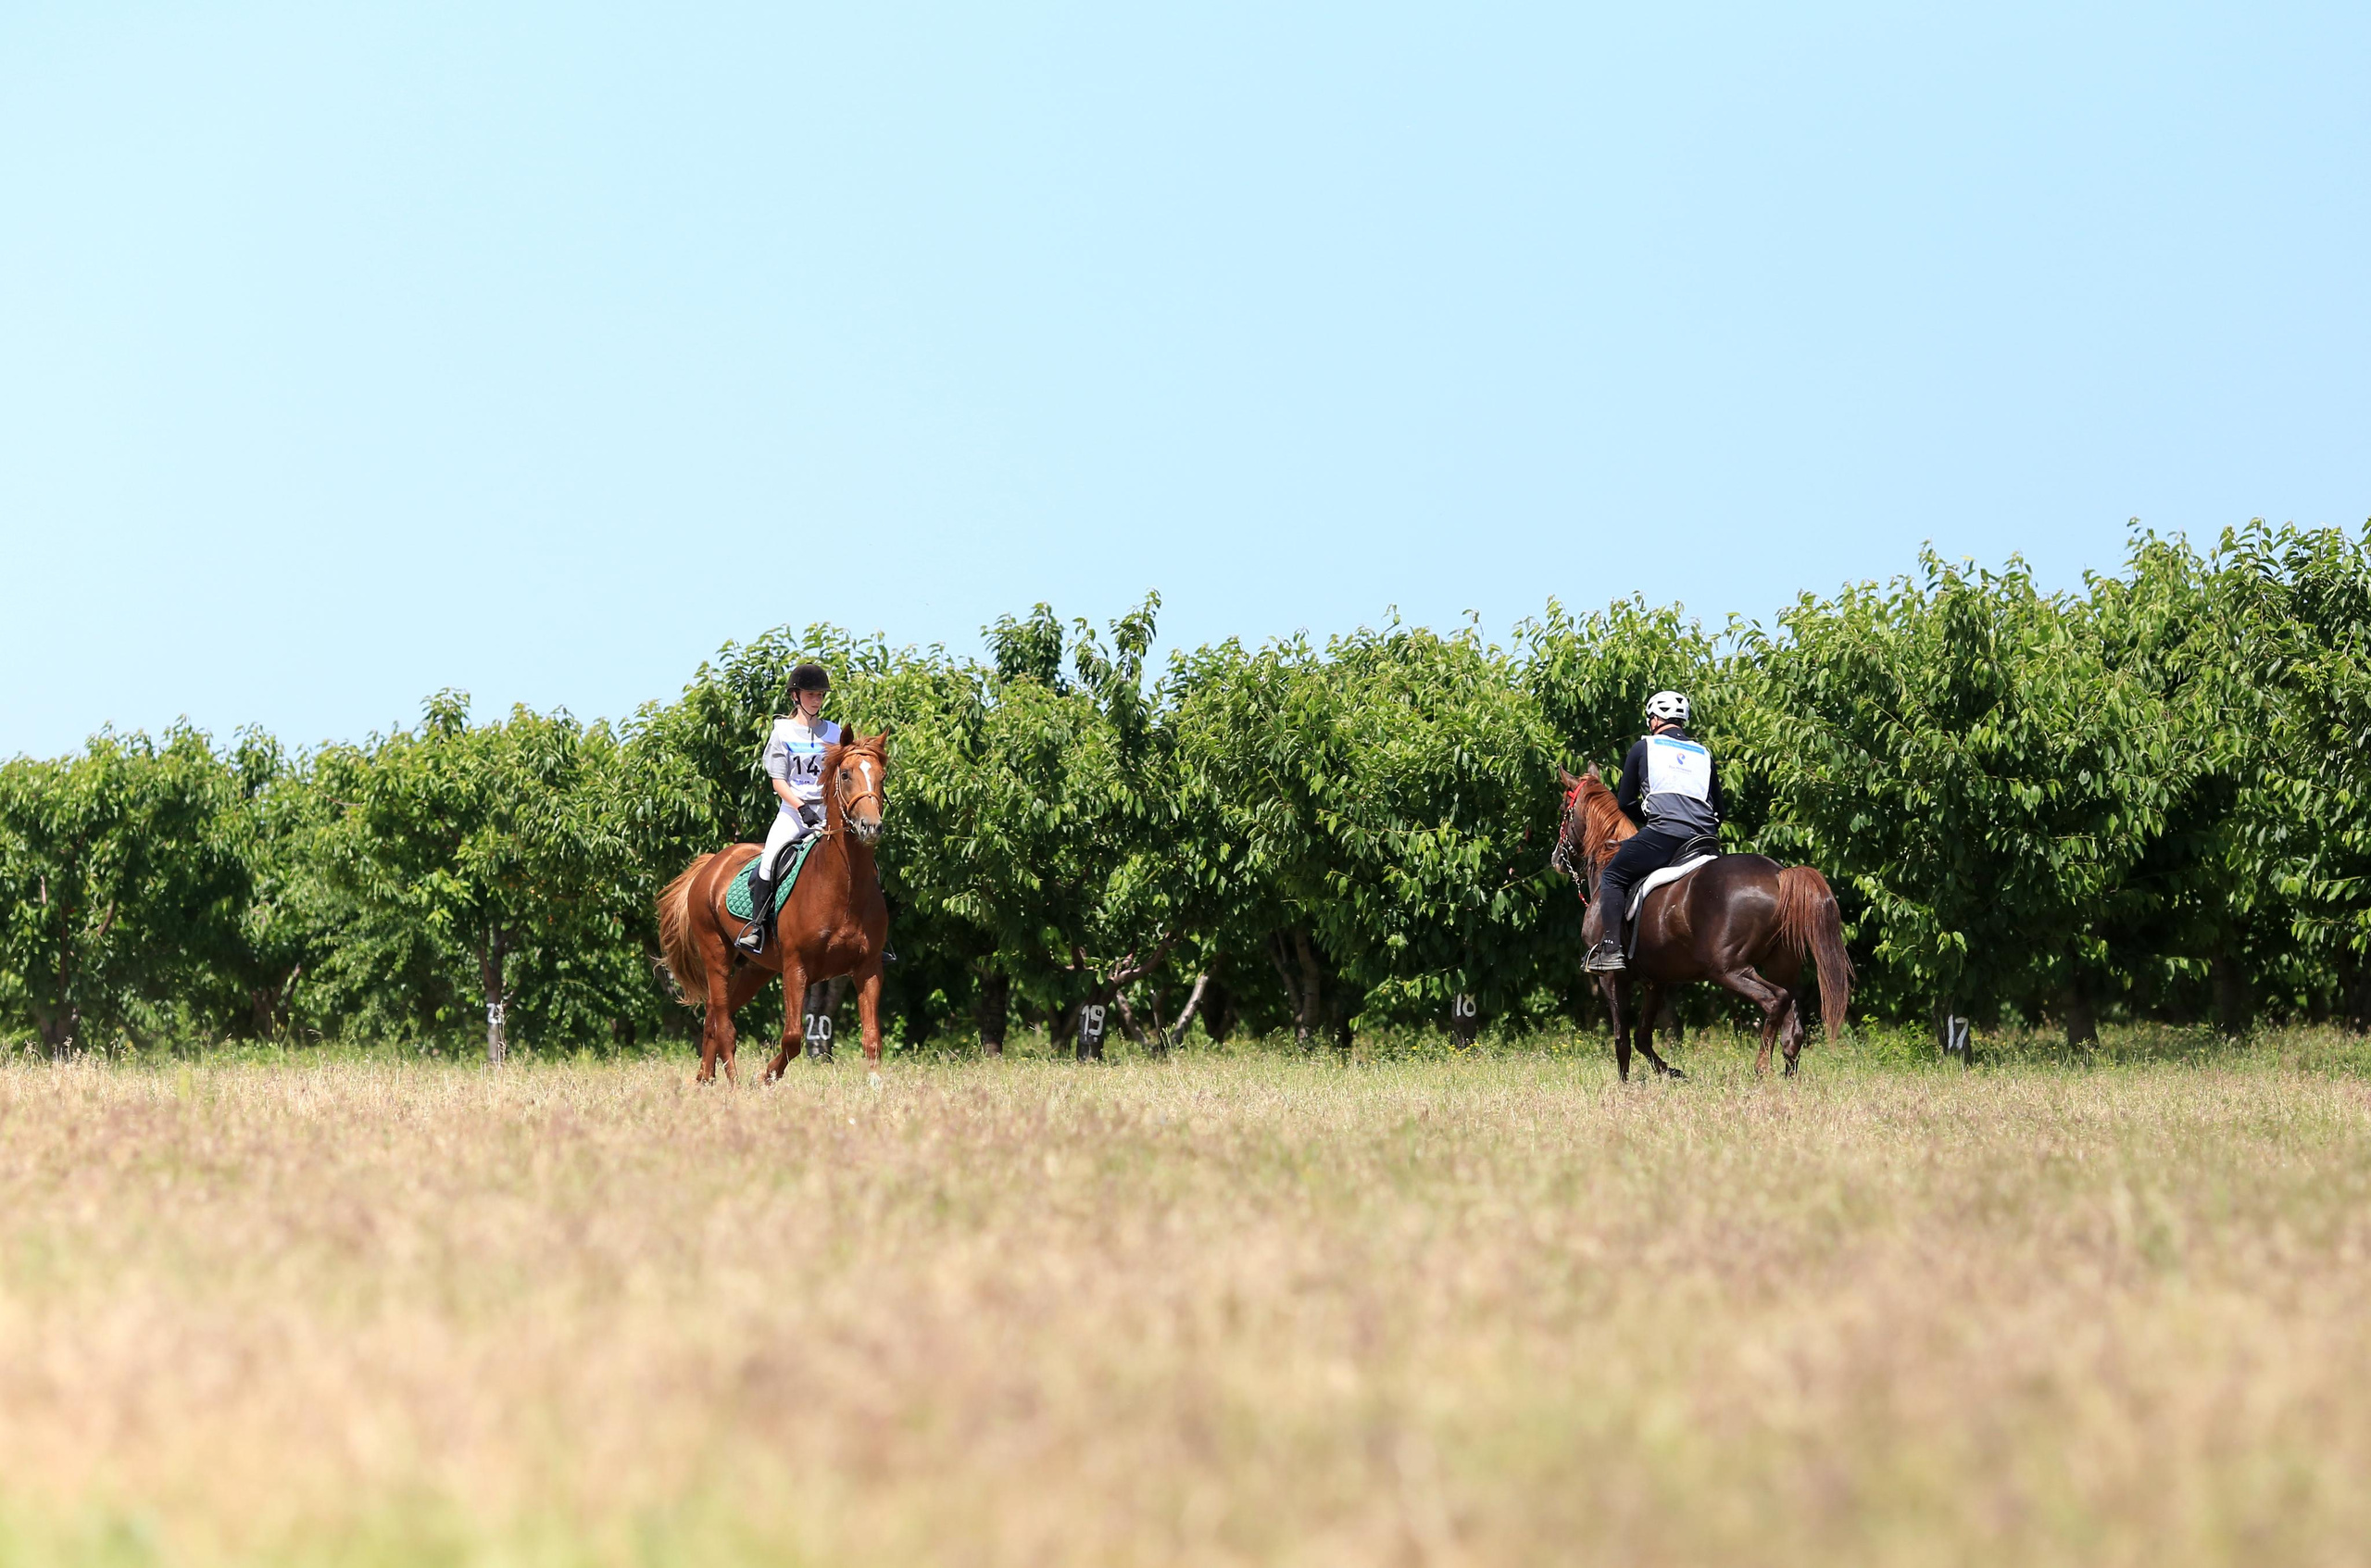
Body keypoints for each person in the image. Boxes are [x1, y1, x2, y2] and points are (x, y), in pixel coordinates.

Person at [1586, 690, 1725, 972]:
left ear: (1655, 718)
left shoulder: (1644, 747)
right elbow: (1721, 811)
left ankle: (1611, 949)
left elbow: (1624, 802)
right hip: (1704, 841)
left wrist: (1651, 818)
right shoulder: (1704, 753)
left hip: (1664, 836)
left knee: (1612, 875)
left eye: (1650, 717)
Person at [734, 662, 841, 956]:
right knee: (769, 861)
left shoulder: (835, 733)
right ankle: (756, 927)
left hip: (828, 815)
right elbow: (778, 781)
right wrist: (801, 807)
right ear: (795, 696)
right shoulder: (782, 732)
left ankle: (872, 933)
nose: (817, 701)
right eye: (811, 694)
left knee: (861, 860)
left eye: (820, 695)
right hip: (794, 813)